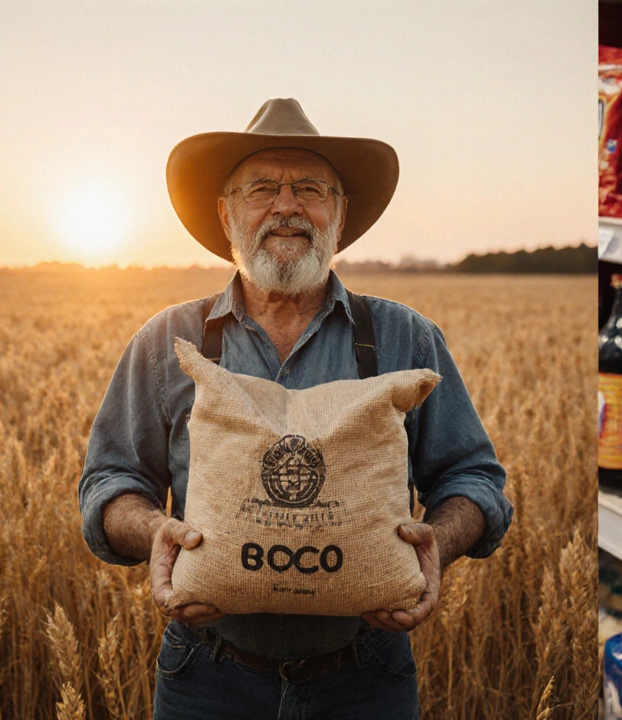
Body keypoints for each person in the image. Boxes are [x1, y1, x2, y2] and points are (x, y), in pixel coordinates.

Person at [76, 98, 513, 719]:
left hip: (366, 679)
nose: (287, 205)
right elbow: (109, 481)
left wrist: (435, 545)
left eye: (310, 188)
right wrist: (156, 534)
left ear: (339, 212)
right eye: (262, 189)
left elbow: (475, 479)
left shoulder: (403, 339)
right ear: (226, 214)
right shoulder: (167, 343)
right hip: (206, 678)